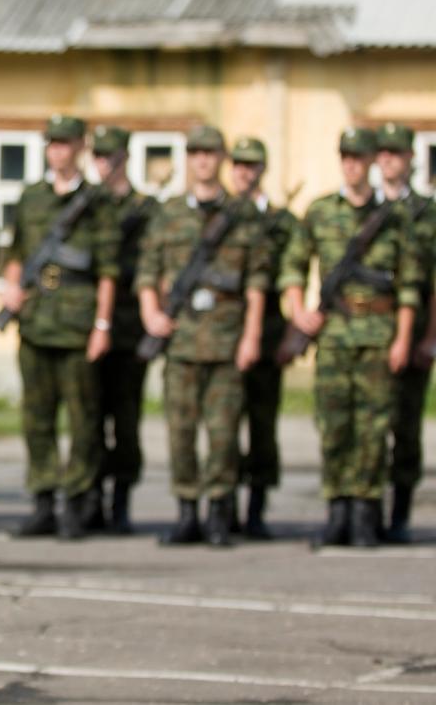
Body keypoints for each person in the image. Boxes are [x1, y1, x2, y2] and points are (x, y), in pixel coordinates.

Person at [281, 128, 422, 548]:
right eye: (345, 157)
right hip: (335, 335)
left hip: (379, 334)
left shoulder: (395, 217)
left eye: (359, 158)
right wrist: (298, 309)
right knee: (334, 423)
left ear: (372, 162)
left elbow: (411, 285)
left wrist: (402, 339)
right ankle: (337, 507)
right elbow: (293, 264)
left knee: (374, 426)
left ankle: (365, 510)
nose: (351, 165)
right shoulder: (321, 211)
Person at [136, 125, 268, 548]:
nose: (203, 161)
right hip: (180, 341)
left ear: (222, 159)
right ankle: (187, 511)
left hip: (227, 340)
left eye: (210, 153)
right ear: (188, 160)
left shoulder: (242, 215)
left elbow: (256, 283)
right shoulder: (169, 213)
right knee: (181, 432)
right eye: (196, 153)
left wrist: (251, 337)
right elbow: (147, 271)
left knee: (225, 433)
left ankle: (219, 513)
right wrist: (151, 313)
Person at [4, 115, 119, 540]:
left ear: (80, 148)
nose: (58, 151)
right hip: (36, 320)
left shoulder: (97, 201)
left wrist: (102, 324)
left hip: (77, 320)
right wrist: (12, 288)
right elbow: (15, 251)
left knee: (83, 419)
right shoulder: (31, 198)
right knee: (37, 418)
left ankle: (77, 502)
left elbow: (108, 269)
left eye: (66, 144)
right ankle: (43, 500)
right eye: (52, 144)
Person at [227, 137, 297, 540]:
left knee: (262, 426)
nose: (244, 172)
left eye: (252, 165)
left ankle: (256, 508)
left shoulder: (281, 222)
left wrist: (289, 333)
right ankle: (225, 506)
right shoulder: (219, 218)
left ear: (263, 170)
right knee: (223, 428)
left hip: (267, 334)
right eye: (239, 164)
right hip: (222, 334)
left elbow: (293, 277)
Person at [90, 125, 158, 533]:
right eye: (97, 156)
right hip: (84, 329)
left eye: (109, 157)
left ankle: (122, 501)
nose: (103, 164)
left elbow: (155, 266)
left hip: (130, 329)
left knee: (126, 419)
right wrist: (48, 291)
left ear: (124, 159)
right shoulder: (83, 205)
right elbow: (55, 269)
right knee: (89, 420)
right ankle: (91, 499)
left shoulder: (147, 210)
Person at [376, 122, 435, 543]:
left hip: (414, 337)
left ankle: (399, 513)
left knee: (406, 428)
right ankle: (366, 514)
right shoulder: (365, 210)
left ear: (411, 158)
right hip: (367, 334)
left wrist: (430, 338)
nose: (389, 160)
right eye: (384, 152)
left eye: (397, 152)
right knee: (367, 428)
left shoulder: (428, 214)